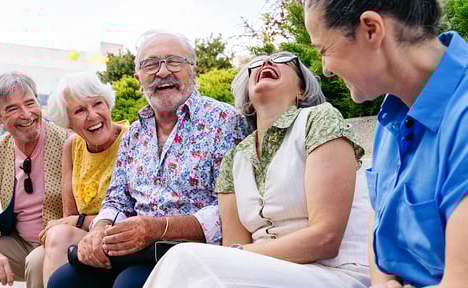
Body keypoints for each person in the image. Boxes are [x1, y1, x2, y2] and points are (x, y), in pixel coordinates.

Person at [143, 51, 371, 288]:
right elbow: (233, 248)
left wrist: (239, 253)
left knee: (184, 258)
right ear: (249, 98)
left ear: (301, 90)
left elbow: (325, 239)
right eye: (255, 64)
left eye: (284, 60)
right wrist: (236, 255)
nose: (267, 62)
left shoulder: (319, 119)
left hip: (335, 272)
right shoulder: (234, 158)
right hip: (265, 274)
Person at [47, 30, 249, 288]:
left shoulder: (224, 121)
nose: (162, 72)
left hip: (192, 254)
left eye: (174, 61)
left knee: (129, 283)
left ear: (193, 70)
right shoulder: (135, 134)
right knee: (63, 281)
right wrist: (99, 230)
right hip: (134, 250)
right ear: (139, 78)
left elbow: (234, 208)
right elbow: (117, 198)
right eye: (150, 64)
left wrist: (159, 228)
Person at [304, 1, 468, 287]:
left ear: (371, 29)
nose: (326, 70)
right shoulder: (392, 118)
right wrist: (382, 281)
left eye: (324, 50)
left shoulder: (462, 117)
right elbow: (379, 215)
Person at [0, 72, 67, 288]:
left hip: (61, 244)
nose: (26, 114)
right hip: (19, 245)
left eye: (30, 103)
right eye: (12, 108)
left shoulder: (68, 141)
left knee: (37, 261)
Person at [33, 71, 129, 287]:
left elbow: (139, 214)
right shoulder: (72, 146)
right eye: (80, 110)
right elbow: (70, 214)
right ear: (68, 122)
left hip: (124, 235)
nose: (93, 115)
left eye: (97, 104)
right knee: (43, 250)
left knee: (55, 238)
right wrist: (77, 222)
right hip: (87, 236)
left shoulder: (132, 139)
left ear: (108, 104)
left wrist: (79, 221)